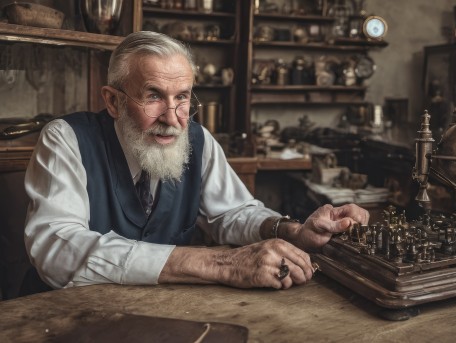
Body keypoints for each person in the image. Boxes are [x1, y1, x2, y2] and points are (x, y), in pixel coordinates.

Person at [23, 31, 369, 292]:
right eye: (154, 96)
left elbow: (233, 213)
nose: (173, 118)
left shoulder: (198, 141)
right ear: (113, 102)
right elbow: (55, 248)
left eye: (183, 97)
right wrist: (220, 263)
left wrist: (293, 231)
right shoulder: (66, 138)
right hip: (64, 319)